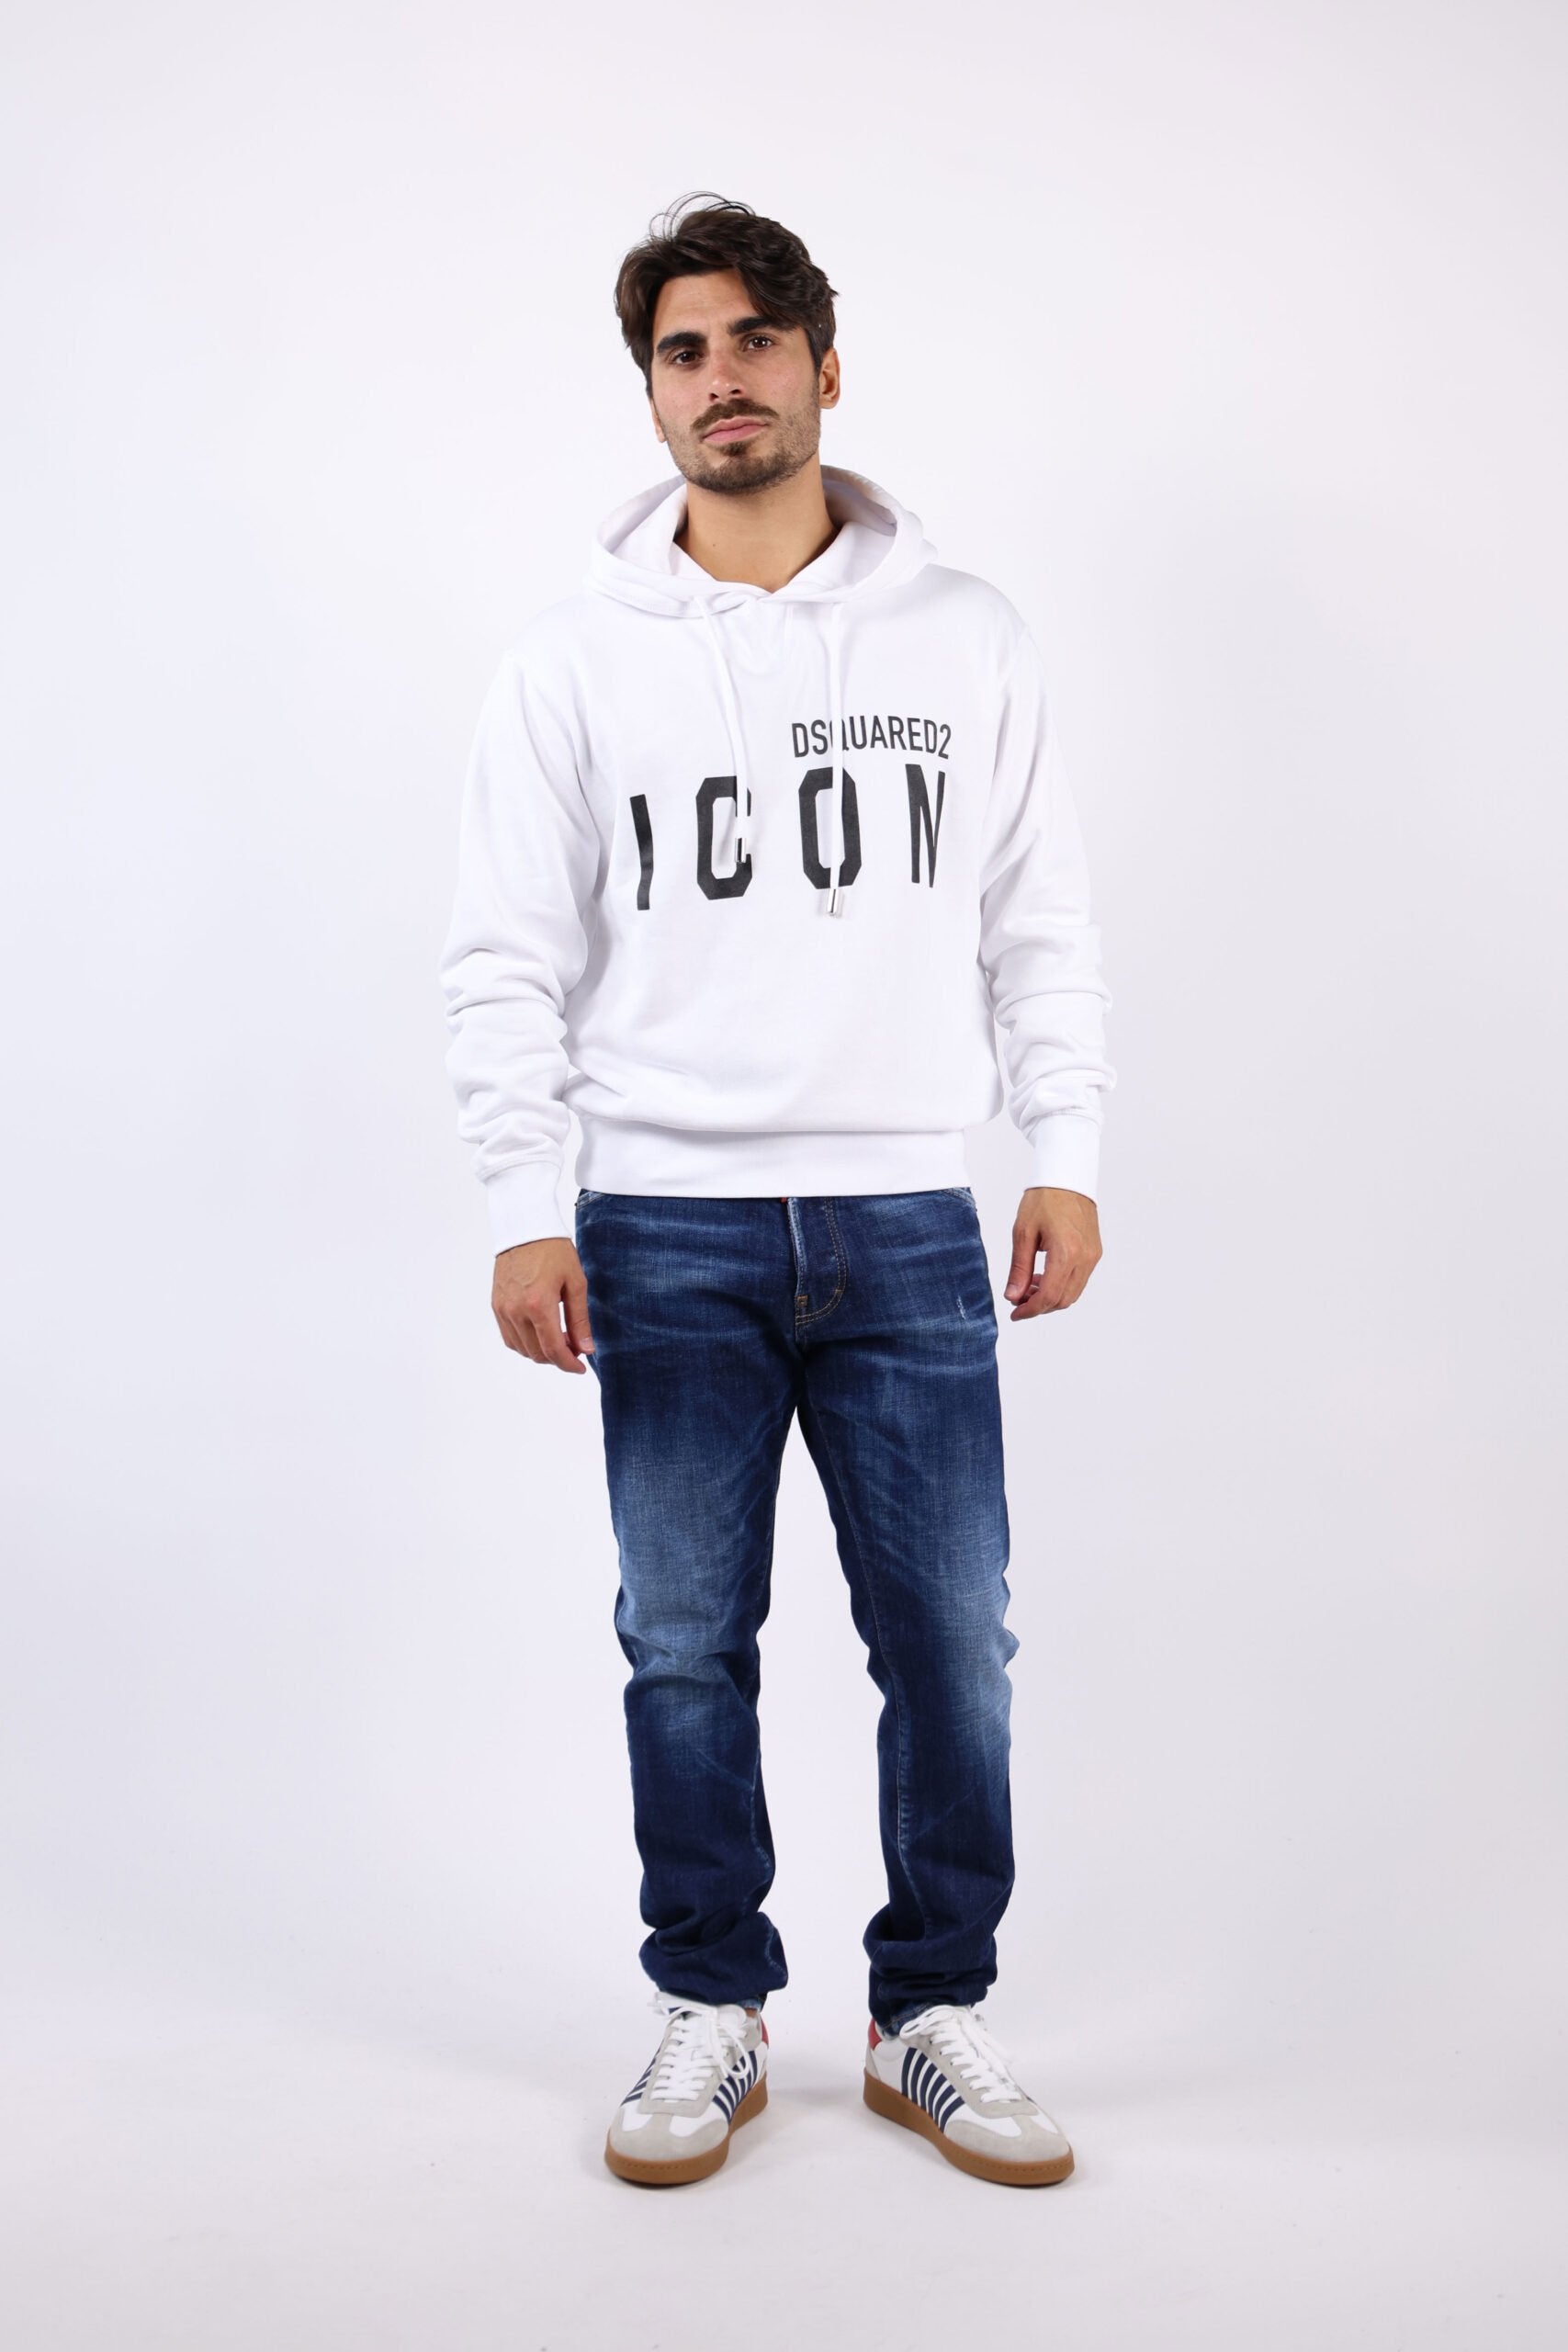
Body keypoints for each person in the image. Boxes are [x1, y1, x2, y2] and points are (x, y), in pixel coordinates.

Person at [437, 192, 1115, 2190]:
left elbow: (1038, 921)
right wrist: (525, 1197)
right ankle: (712, 2000)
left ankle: (928, 2011)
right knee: (679, 1639)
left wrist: (1063, 1152)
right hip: (662, 1225)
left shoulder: (965, 637)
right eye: (683, 350)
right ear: (650, 393)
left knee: (951, 1637)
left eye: (752, 340)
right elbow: (503, 955)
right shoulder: (573, 664)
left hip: (906, 1217)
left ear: (825, 363)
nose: (719, 379)